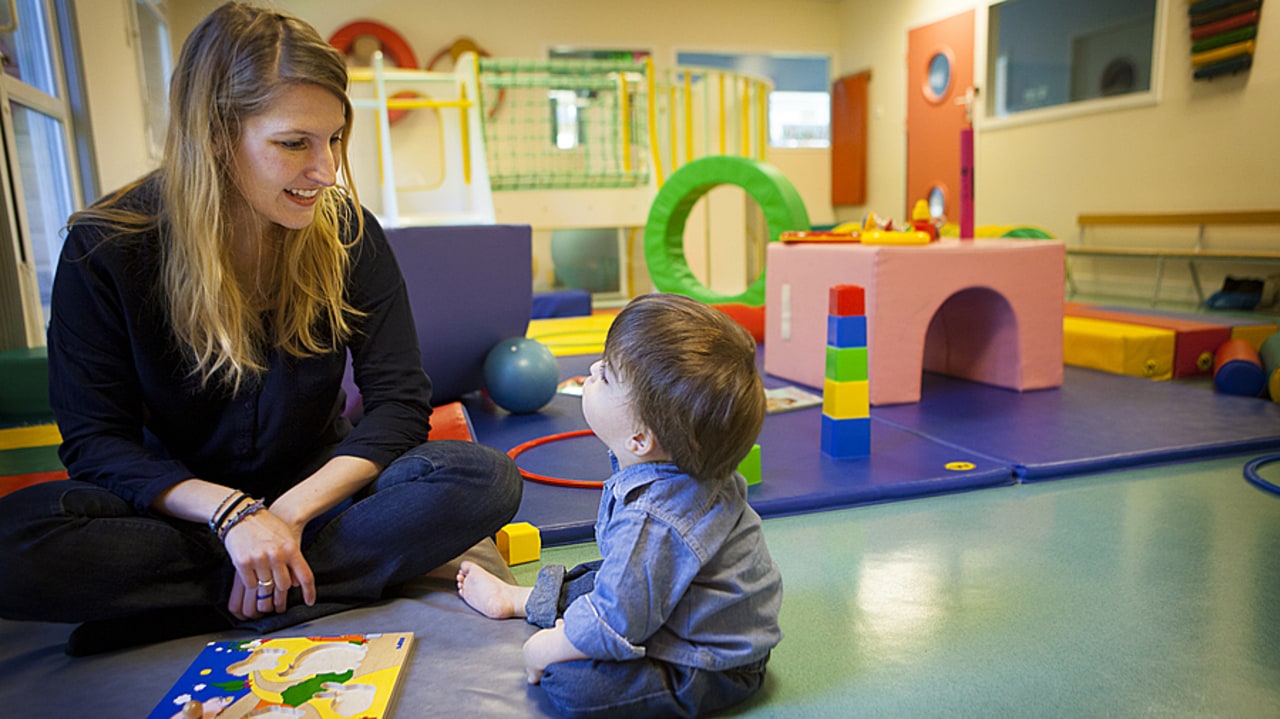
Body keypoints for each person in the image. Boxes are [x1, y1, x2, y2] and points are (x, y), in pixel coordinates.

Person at [0, 2, 521, 656]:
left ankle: (205, 598)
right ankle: (297, 584)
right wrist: (232, 516)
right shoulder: (103, 248)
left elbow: (399, 404)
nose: (326, 169)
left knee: (482, 478)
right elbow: (95, 442)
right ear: (217, 134)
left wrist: (286, 516)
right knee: (11, 542)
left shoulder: (349, 233)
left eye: (333, 138)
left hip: (316, 499)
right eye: (293, 143)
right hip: (178, 514)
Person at [456, 293, 783, 718]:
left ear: (641, 439)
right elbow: (625, 585)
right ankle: (518, 600)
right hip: (677, 609)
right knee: (602, 577)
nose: (593, 369)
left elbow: (617, 616)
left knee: (571, 683)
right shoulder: (675, 465)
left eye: (607, 375)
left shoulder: (658, 518)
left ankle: (554, 623)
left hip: (711, 662)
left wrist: (548, 647)